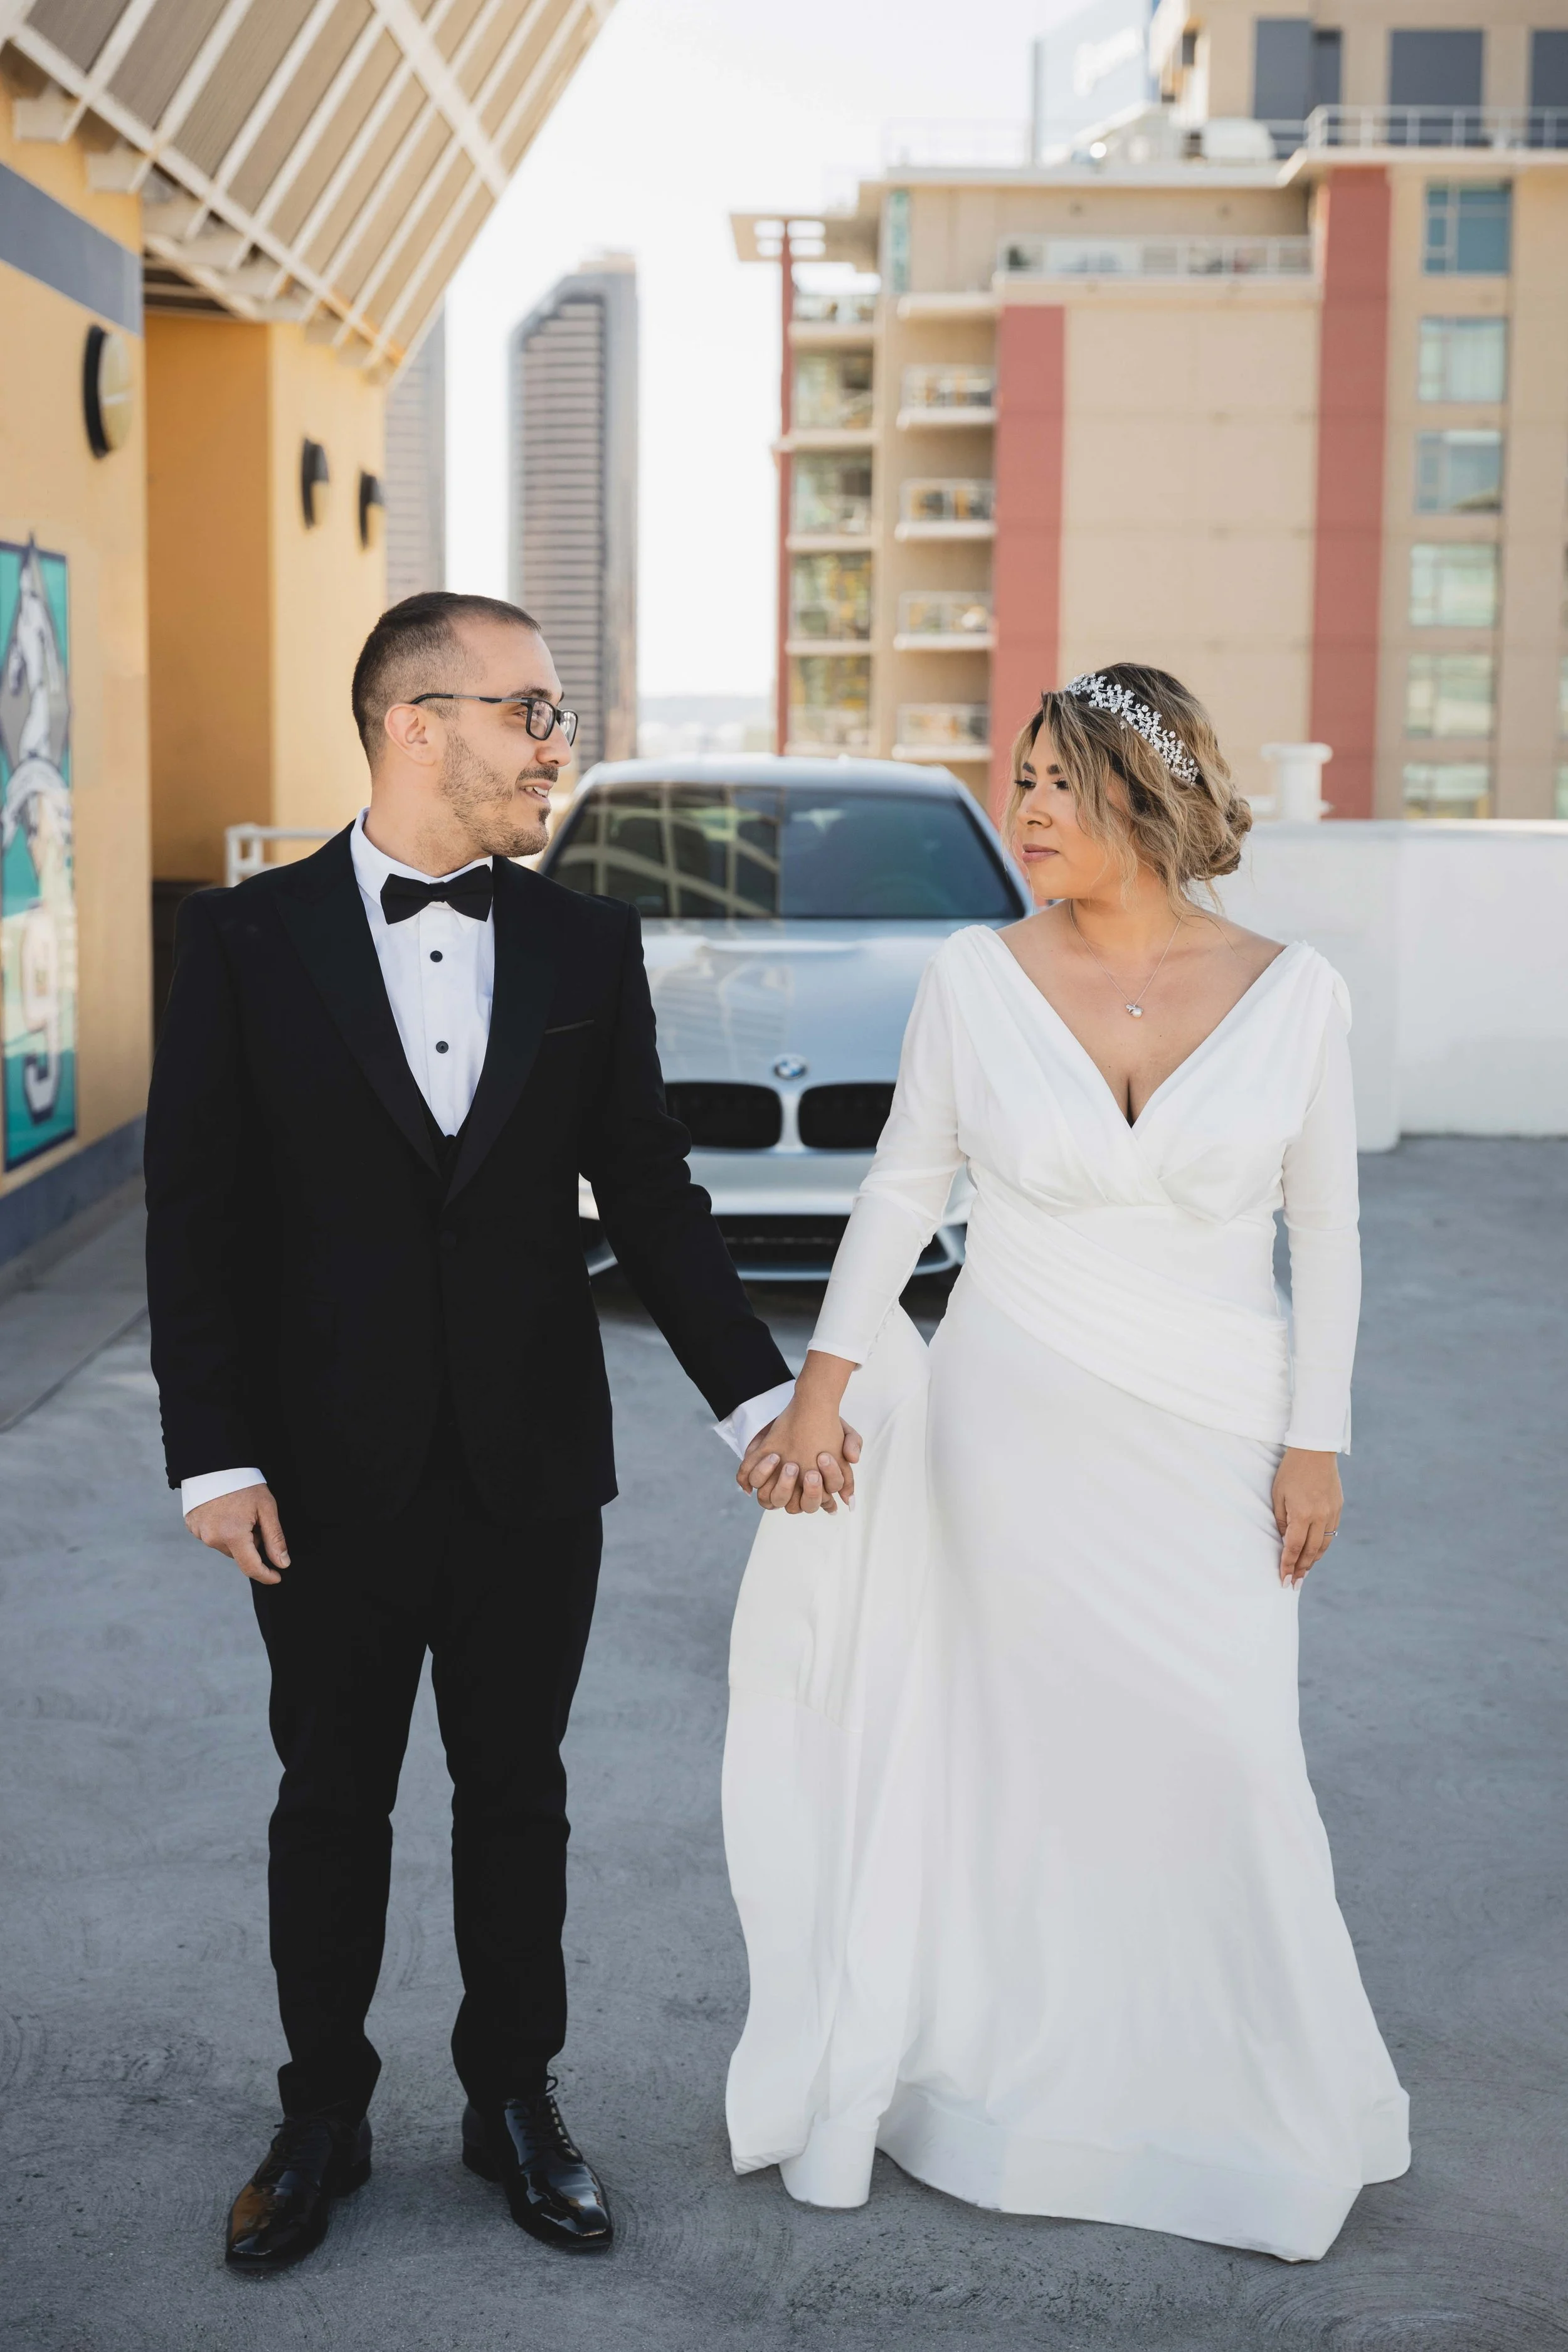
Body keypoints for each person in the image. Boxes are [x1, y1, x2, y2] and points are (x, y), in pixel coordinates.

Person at [144, 591, 822, 2272]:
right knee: (331, 1799)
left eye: (554, 712)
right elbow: (194, 1215)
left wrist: (760, 1396)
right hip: (320, 1476)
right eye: (528, 710)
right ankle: (320, 2112)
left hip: (532, 1466)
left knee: (517, 1796)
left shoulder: (586, 942)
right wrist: (213, 1452)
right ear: (415, 722)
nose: (553, 743)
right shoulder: (239, 942)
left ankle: (514, 2099)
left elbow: (649, 1192)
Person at [724, 665, 1411, 2263]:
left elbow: (1325, 1231)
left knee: (1225, 1749)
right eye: (1018, 777)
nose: (1024, 807)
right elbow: (901, 1191)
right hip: (1010, 1414)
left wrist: (1316, 1442)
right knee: (1016, 1757)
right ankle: (1011, 2086)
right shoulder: (973, 977)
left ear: (1142, 795)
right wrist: (820, 1394)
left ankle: (1239, 2101)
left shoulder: (1292, 992)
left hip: (1217, 1422)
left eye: (1056, 781)